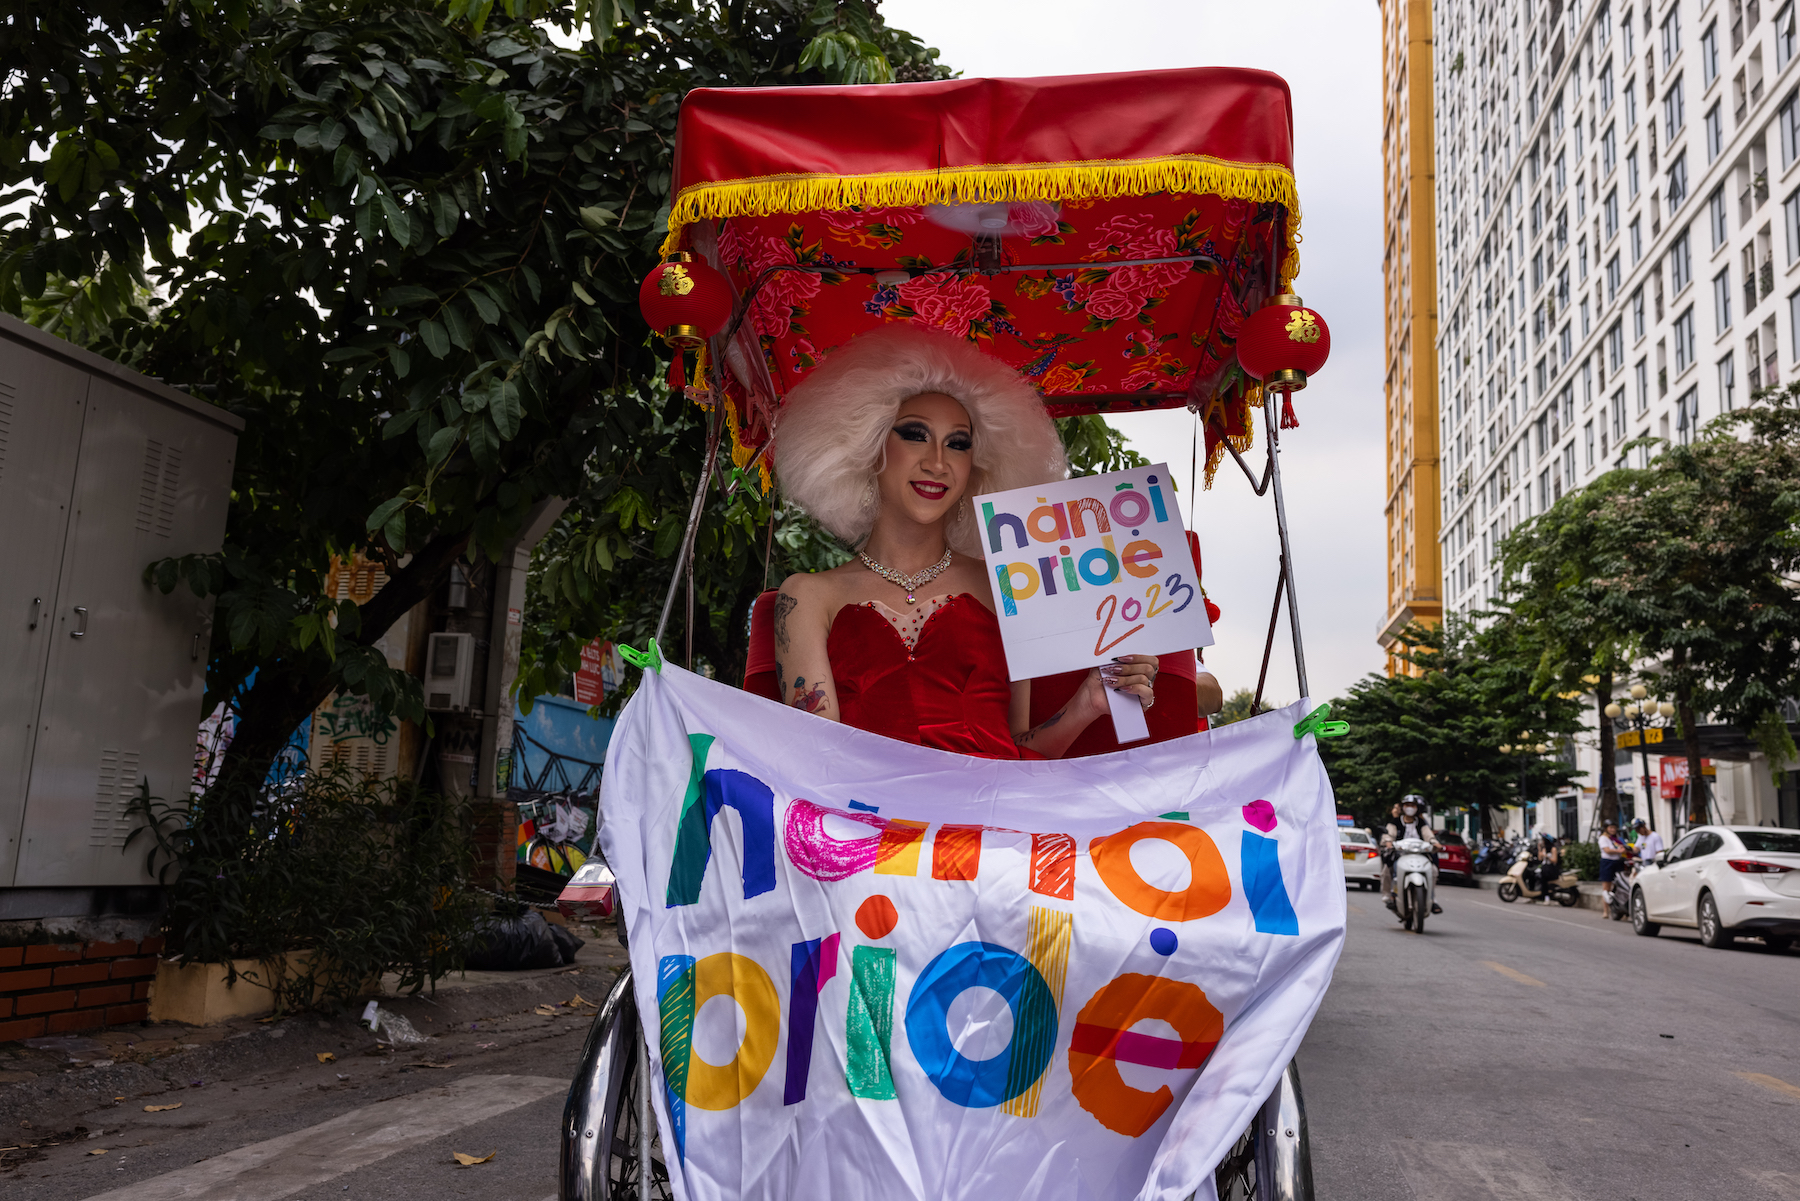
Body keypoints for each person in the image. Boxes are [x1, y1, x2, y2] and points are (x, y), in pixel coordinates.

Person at [770, 325, 1158, 759]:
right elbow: (816, 766)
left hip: (994, 818)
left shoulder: (1009, 585)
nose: (937, 462)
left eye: (958, 444)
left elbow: (1015, 751)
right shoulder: (807, 597)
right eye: (915, 434)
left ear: (977, 466)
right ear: (869, 446)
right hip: (864, 820)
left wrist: (1087, 704)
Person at [1380, 794, 1442, 914]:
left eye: (1412, 805)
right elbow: (1389, 835)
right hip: (1401, 855)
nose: (1410, 808)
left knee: (1433, 870)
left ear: (1417, 808)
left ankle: (1432, 899)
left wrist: (1435, 843)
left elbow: (1429, 837)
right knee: (1389, 870)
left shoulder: (1422, 823)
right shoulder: (1395, 822)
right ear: (1403, 807)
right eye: (1407, 805)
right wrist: (1388, 842)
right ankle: (1391, 896)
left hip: (1420, 855)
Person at [1596, 820, 1626, 921]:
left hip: (1617, 862)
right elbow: (1607, 850)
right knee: (1606, 888)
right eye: (1610, 828)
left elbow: (1623, 847)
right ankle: (1606, 911)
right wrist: (1618, 851)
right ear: (1606, 828)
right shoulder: (1603, 838)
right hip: (1607, 863)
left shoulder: (1617, 838)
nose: (1613, 830)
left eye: (1614, 828)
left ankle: (1621, 911)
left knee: (1619, 887)